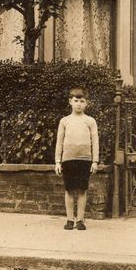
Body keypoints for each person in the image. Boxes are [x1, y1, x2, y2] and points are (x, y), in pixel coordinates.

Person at [55, 86, 99, 230]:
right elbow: (59, 142)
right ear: (70, 102)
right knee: (69, 190)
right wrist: (57, 161)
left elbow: (95, 141)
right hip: (68, 159)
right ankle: (69, 219)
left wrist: (95, 161)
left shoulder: (90, 121)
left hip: (85, 160)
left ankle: (80, 220)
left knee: (81, 190)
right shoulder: (64, 121)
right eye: (76, 100)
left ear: (86, 103)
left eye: (82, 101)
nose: (79, 103)